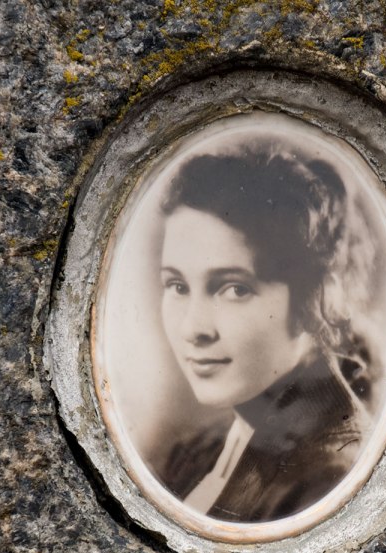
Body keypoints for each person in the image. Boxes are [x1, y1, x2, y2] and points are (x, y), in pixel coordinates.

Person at [152, 142, 374, 523]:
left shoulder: (328, 476)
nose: (193, 329)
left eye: (234, 289)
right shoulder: (204, 447)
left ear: (311, 300)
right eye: (177, 286)